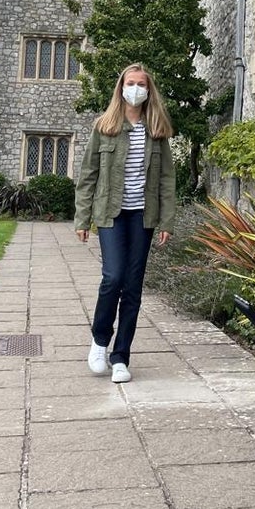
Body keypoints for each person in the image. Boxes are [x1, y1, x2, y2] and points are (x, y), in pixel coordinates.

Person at [74, 63, 176, 383]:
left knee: (132, 288)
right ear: (121, 87)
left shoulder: (156, 130)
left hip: (142, 217)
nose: (135, 88)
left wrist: (166, 221)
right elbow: (88, 174)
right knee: (113, 277)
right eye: (130, 83)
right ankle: (100, 341)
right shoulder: (105, 126)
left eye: (141, 84)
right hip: (111, 214)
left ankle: (121, 357)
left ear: (149, 90)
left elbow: (167, 179)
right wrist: (83, 217)